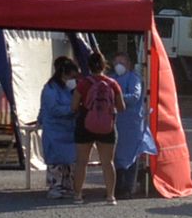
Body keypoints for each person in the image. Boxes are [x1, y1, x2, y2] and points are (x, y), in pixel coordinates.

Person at [71, 51, 126, 203]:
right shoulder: (113, 84)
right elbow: (121, 107)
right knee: (108, 162)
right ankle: (110, 196)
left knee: (82, 161)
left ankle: (78, 195)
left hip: (85, 124)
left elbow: (74, 106)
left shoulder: (83, 84)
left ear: (88, 66)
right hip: (107, 126)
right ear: (104, 66)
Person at [110, 50, 155, 200]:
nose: (118, 66)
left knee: (131, 156)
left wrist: (116, 97)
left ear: (128, 64)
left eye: (121, 63)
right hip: (117, 122)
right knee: (116, 156)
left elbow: (135, 97)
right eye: (116, 63)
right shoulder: (112, 78)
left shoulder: (133, 78)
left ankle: (128, 188)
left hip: (132, 122)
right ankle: (117, 187)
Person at [39, 57, 78, 199]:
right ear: (63, 74)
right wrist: (72, 109)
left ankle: (69, 187)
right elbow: (53, 109)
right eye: (71, 76)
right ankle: (54, 187)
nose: (73, 79)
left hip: (68, 129)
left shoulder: (69, 89)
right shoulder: (50, 89)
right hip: (54, 130)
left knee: (69, 161)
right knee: (55, 162)